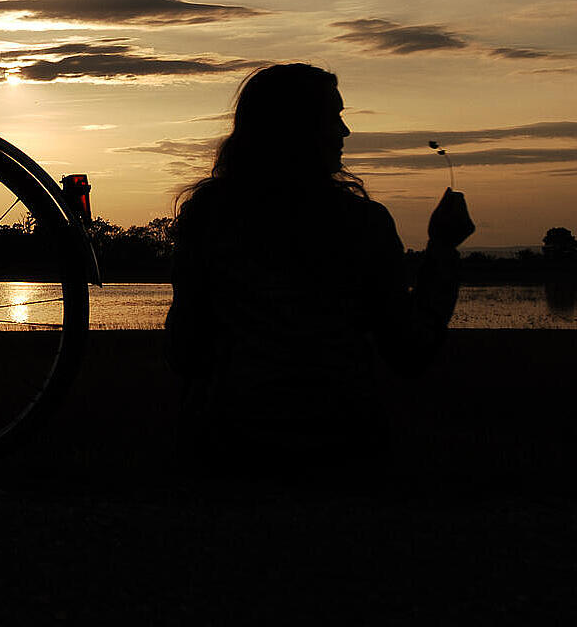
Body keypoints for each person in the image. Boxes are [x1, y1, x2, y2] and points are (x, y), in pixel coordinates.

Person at [164, 63, 475, 472]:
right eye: (333, 118)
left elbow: (184, 351)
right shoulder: (363, 224)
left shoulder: (208, 216)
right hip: (342, 446)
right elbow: (409, 353)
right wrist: (442, 252)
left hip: (231, 446)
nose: (345, 132)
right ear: (298, 130)